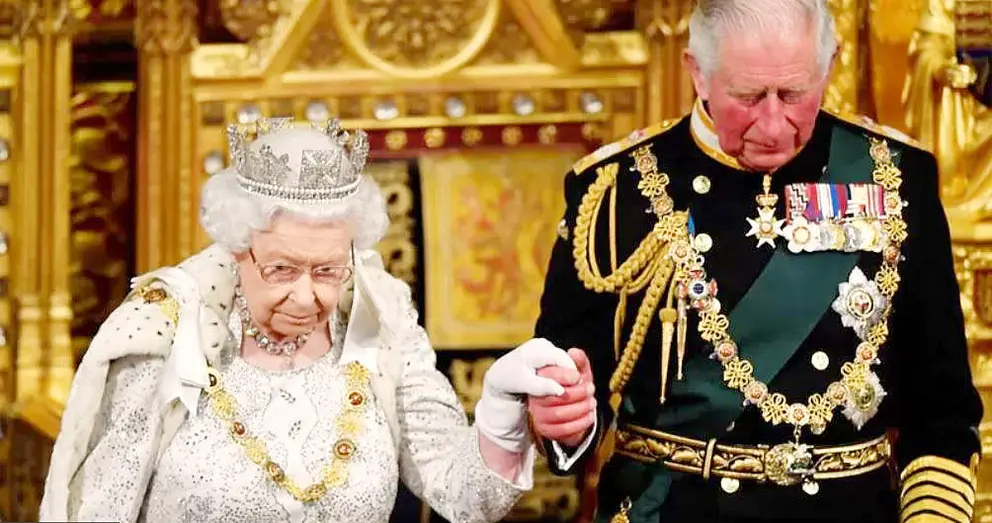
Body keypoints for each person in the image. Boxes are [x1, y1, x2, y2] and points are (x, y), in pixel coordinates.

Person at [526, 1, 983, 522]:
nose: (772, 123)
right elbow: (570, 406)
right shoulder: (613, 191)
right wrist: (565, 420)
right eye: (747, 96)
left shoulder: (897, 178)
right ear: (698, 72)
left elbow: (942, 410)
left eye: (794, 94)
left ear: (828, 65)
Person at [38, 118, 584, 523]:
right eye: (281, 269)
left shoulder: (384, 326)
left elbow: (469, 498)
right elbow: (97, 510)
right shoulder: (163, 335)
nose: (306, 296)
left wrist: (499, 409)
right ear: (236, 249)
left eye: (327, 269)